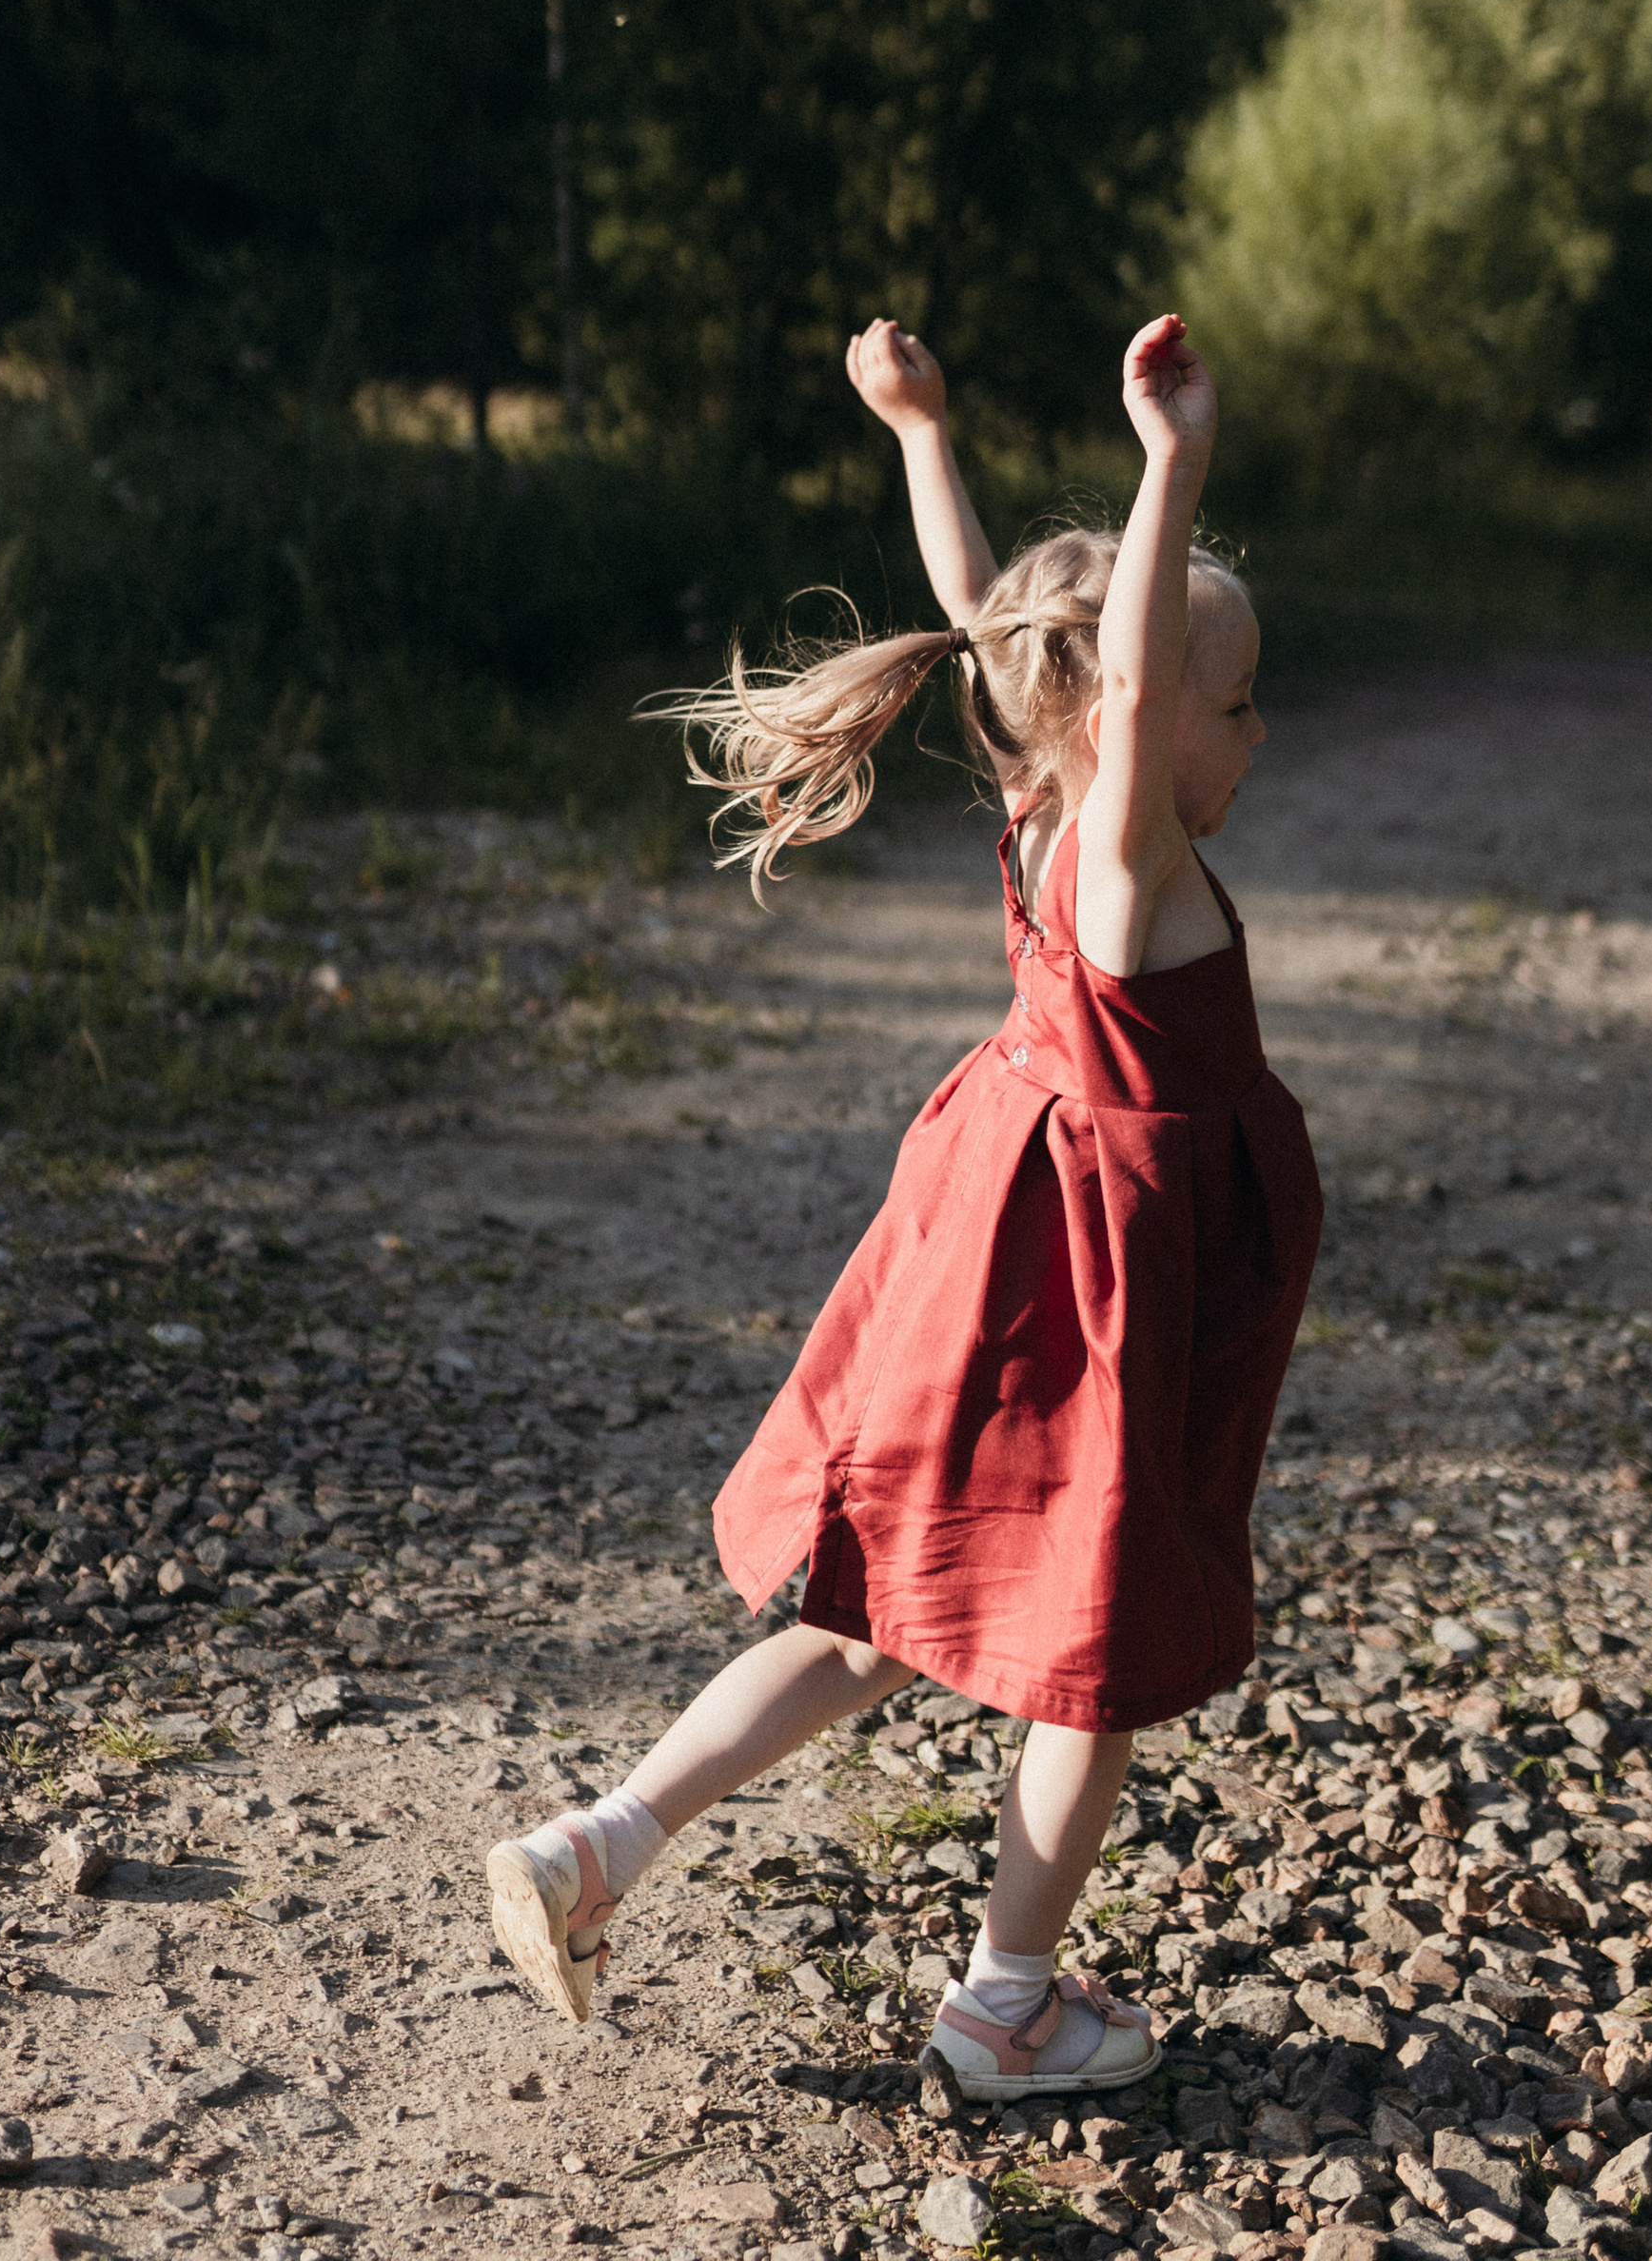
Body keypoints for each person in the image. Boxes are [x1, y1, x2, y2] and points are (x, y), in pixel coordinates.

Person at [486, 312, 1322, 2099]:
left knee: (876, 1611)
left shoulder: (1037, 774)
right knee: (1088, 1655)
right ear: (1142, 716)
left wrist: (921, 434)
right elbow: (1128, 683)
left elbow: (988, 611)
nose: (1256, 728)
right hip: (1097, 1290)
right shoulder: (1124, 854)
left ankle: (600, 1845)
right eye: (1236, 699)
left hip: (998, 1241)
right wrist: (1173, 461)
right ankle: (1004, 2003)